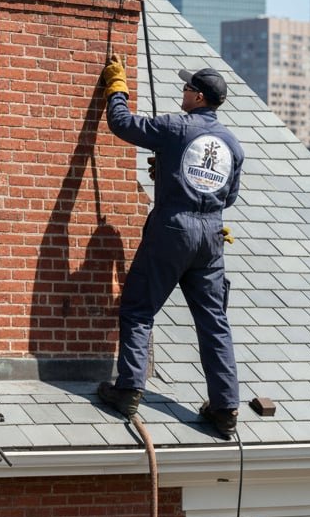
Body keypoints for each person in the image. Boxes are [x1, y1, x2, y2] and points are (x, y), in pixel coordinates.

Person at [96, 54, 244, 439]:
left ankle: (129, 389)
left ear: (197, 96)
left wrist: (117, 88)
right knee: (214, 323)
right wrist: (172, 171)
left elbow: (123, 124)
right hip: (211, 237)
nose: (182, 91)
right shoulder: (232, 144)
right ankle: (225, 409)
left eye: (186, 87)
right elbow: (226, 197)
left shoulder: (176, 127)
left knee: (139, 308)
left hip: (172, 229)